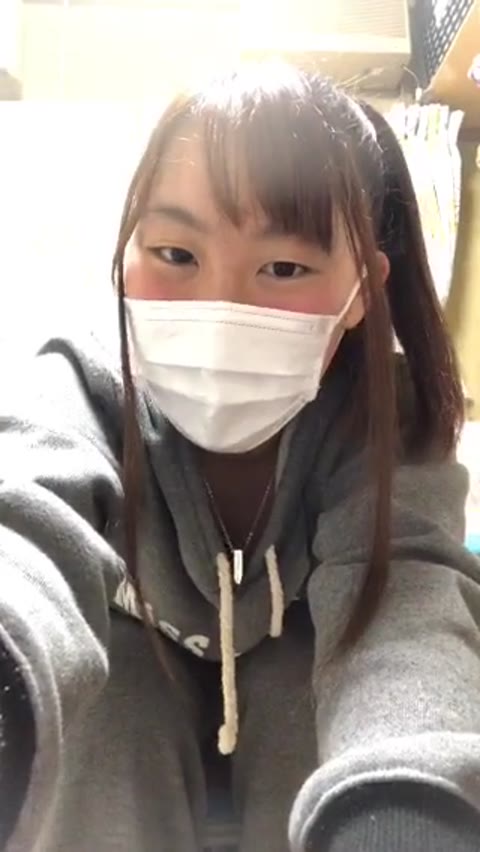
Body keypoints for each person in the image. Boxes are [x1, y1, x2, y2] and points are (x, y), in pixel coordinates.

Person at [1, 62, 480, 852]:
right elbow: (25, 520)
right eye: (174, 253)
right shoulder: (79, 379)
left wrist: (406, 810)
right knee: (113, 702)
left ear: (364, 289)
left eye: (284, 268)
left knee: (302, 689)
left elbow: (405, 612)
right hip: (133, 700)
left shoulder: (381, 416)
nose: (217, 307)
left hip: (296, 699)